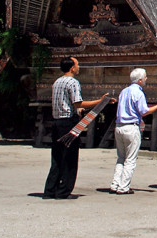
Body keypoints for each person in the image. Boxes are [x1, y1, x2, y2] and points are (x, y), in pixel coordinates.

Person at [43, 57, 109, 199]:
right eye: (77, 64)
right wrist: (101, 101)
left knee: (57, 157)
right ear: (72, 67)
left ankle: (50, 190)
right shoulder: (73, 82)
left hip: (56, 122)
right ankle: (64, 191)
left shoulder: (57, 82)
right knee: (70, 158)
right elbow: (78, 103)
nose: (79, 67)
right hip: (68, 123)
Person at [110, 68, 157, 195]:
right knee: (130, 159)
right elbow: (144, 111)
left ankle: (115, 184)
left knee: (121, 158)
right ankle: (123, 187)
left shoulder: (124, 91)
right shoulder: (138, 93)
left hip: (119, 126)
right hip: (131, 127)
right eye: (145, 77)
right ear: (140, 80)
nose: (146, 79)